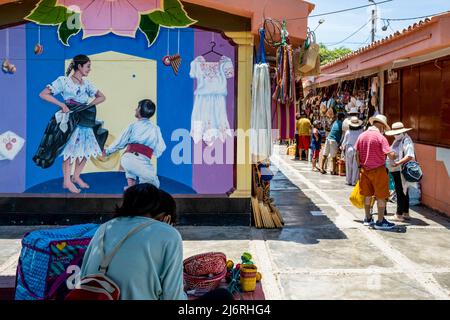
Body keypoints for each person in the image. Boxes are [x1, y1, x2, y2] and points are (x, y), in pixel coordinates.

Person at [80, 183, 187, 300]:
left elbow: (84, 275)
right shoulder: (168, 234)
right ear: (166, 218)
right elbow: (172, 296)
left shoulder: (104, 228)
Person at [37, 54, 107, 193]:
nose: (89, 69)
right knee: (69, 151)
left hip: (84, 119)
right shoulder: (64, 81)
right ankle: (66, 181)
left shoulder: (87, 84)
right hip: (70, 119)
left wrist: (88, 106)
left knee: (85, 150)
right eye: (87, 66)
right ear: (79, 66)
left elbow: (102, 97)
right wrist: (61, 104)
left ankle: (76, 177)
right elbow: (43, 94)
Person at [104, 99, 166, 190]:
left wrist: (107, 151)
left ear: (140, 109)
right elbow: (161, 148)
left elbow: (120, 142)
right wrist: (151, 151)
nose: (135, 109)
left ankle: (130, 187)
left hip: (127, 159)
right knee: (154, 184)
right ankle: (133, 188)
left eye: (137, 107)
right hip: (138, 160)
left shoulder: (133, 126)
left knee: (133, 170)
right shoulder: (155, 129)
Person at [355, 114, 397, 230]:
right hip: (378, 170)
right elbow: (391, 155)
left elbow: (356, 154)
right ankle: (380, 221)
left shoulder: (362, 136)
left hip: (364, 170)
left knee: (367, 195)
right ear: (382, 126)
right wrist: (395, 153)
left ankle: (367, 218)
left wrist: (359, 168)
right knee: (381, 196)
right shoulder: (380, 138)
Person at [385, 122, 416, 221]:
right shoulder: (398, 140)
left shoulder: (406, 140)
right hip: (396, 169)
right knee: (404, 190)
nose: (395, 135)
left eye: (397, 133)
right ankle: (406, 213)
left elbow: (409, 155)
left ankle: (399, 214)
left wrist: (398, 163)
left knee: (400, 191)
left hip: (400, 170)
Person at [341, 116, 364, 186]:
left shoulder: (348, 132)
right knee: (356, 166)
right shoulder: (361, 131)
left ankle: (348, 180)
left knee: (348, 165)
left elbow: (344, 142)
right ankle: (354, 181)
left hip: (349, 149)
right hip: (357, 149)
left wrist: (342, 147)